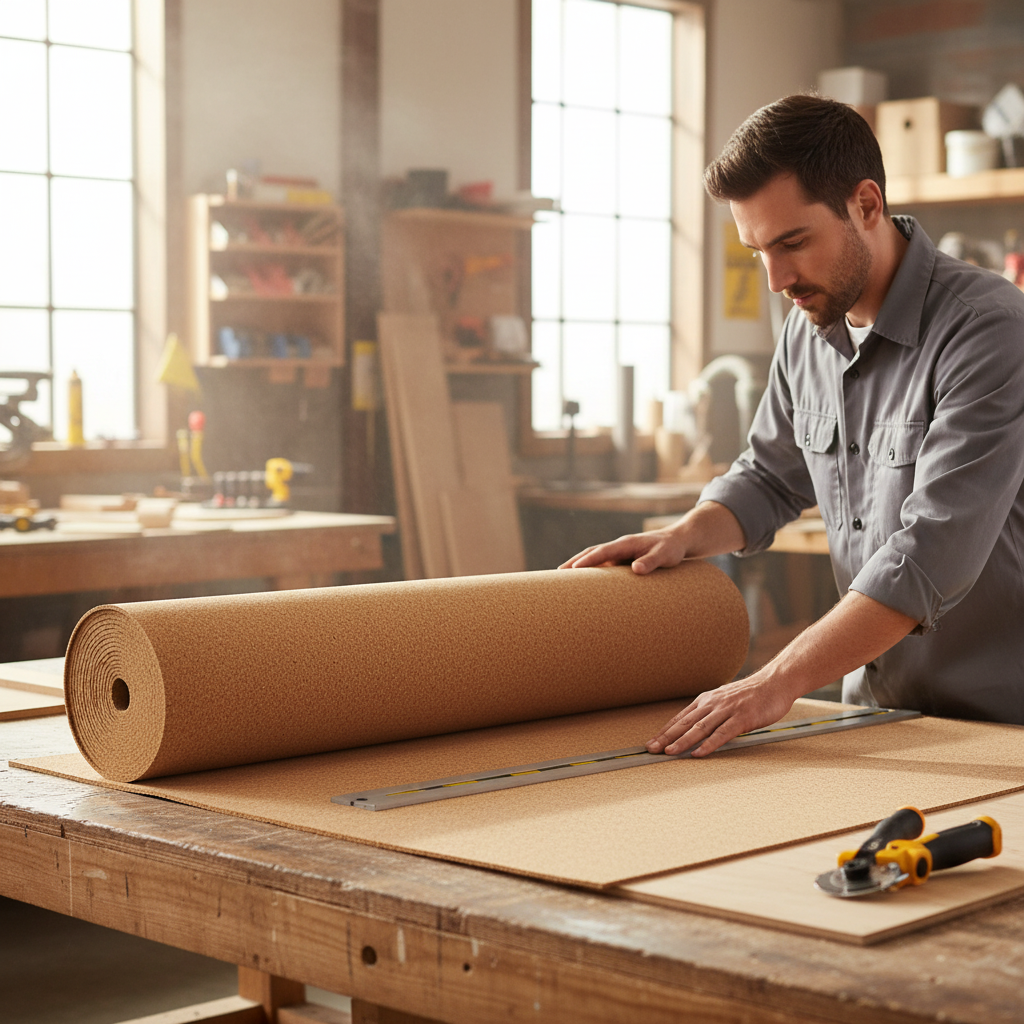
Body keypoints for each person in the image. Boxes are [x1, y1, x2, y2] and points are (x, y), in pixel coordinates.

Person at [559, 94, 1024, 758]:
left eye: (793, 243)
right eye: (757, 251)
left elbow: (930, 557)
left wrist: (776, 682)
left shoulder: (989, 328)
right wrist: (687, 534)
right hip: (879, 720)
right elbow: (770, 477)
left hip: (1003, 728)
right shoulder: (809, 325)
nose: (777, 279)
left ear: (867, 205)